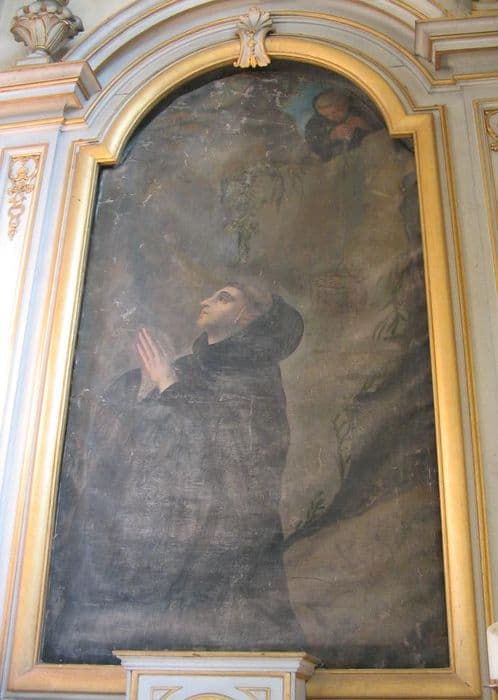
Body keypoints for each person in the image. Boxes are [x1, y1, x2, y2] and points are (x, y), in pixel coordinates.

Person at [42, 281, 306, 663]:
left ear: (246, 316)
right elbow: (143, 437)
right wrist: (144, 385)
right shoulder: (188, 368)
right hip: (160, 525)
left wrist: (167, 383)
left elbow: (237, 452)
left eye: (223, 298)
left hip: (221, 532)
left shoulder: (255, 377)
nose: (205, 300)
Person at [305, 88, 383, 161]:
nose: (332, 117)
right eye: (326, 115)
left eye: (336, 111)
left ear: (345, 105)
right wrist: (332, 136)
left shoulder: (362, 111)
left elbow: (383, 127)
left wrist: (366, 125)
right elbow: (313, 148)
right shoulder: (315, 123)